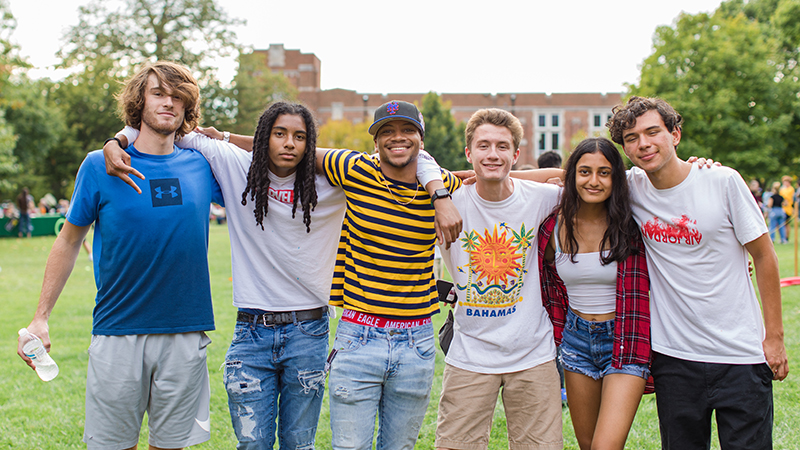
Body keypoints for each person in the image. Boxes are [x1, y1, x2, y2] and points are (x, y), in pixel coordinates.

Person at [104, 100, 454, 449]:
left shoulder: (337, 182)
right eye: (279, 134)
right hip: (251, 329)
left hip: (310, 330)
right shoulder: (242, 165)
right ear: (264, 138)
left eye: (299, 137)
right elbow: (169, 130)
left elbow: (432, 164)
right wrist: (116, 141)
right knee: (252, 445)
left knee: (300, 445)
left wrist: (439, 192)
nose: (289, 143)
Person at [18, 61, 223, 450]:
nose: (169, 102)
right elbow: (67, 241)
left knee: (171, 446)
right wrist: (40, 317)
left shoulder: (203, 165)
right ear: (139, 102)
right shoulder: (100, 165)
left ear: (188, 107)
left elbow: (270, 167)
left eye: (178, 96)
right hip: (117, 331)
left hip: (185, 330)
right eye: (158, 93)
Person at [607, 96, 788, 449]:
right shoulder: (630, 188)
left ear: (675, 134)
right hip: (674, 358)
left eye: (652, 132)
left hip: (741, 354)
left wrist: (774, 337)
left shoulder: (722, 181)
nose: (643, 143)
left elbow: (765, 257)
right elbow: (567, 175)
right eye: (631, 138)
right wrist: (471, 178)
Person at [320, 100, 462, 450]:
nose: (397, 138)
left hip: (417, 340)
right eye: (387, 132)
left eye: (407, 130)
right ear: (376, 142)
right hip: (358, 335)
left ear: (421, 140)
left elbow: (496, 179)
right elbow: (291, 146)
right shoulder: (352, 168)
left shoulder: (440, 184)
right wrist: (222, 136)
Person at [435, 108, 563, 450]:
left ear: (516, 154)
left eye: (503, 147)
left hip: (533, 352)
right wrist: (448, 185)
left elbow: (573, 176)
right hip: (469, 353)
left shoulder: (540, 198)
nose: (493, 154)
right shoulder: (446, 204)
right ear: (468, 152)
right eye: (484, 146)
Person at [538, 137, 651, 450]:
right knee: (587, 445)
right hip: (576, 340)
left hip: (625, 339)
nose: (594, 181)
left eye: (604, 172)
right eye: (585, 171)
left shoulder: (633, 224)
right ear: (571, 176)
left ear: (616, 178)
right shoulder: (553, 227)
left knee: (605, 446)